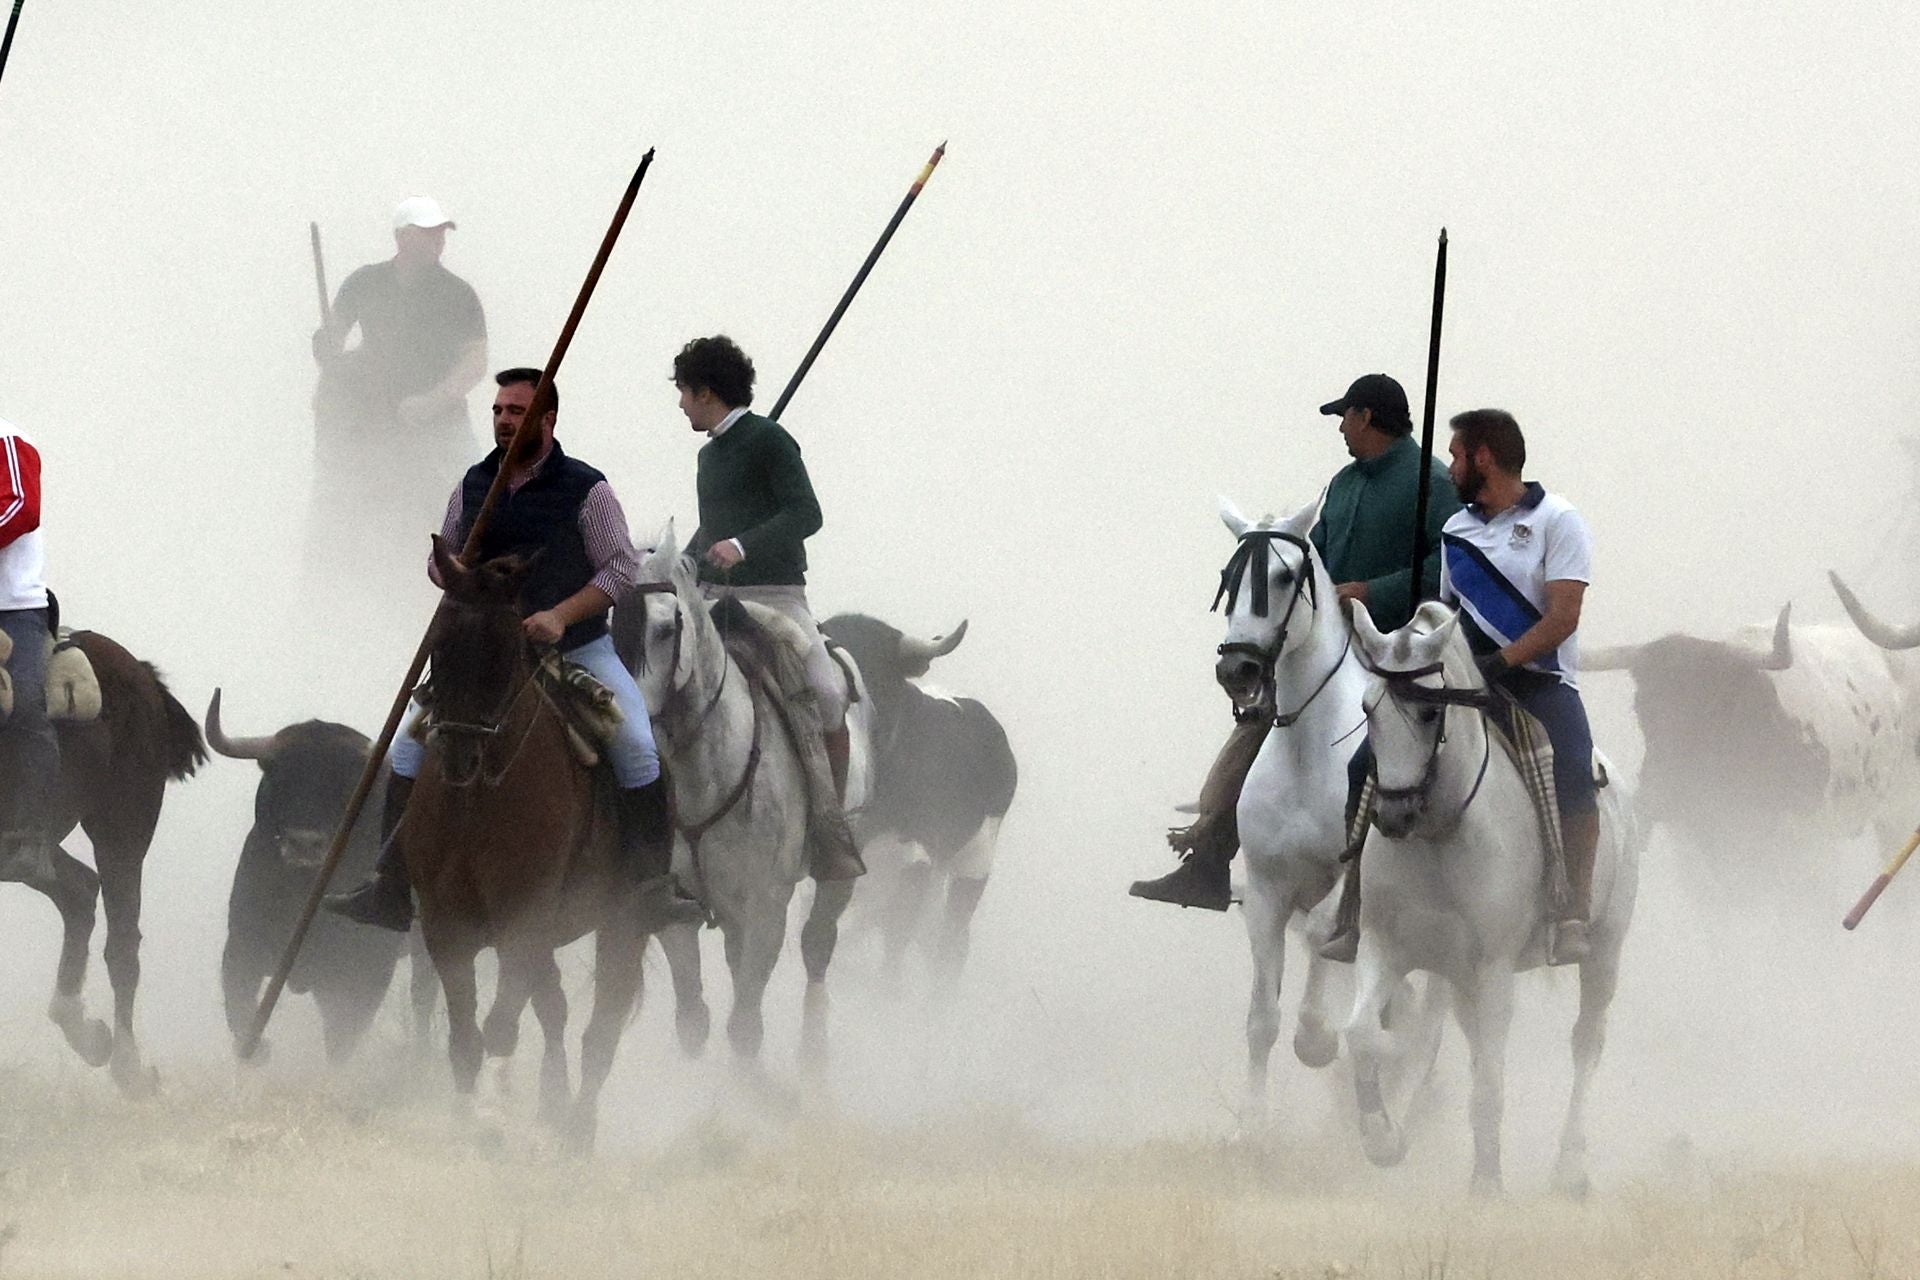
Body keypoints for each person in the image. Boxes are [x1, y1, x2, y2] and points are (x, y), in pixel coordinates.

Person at [325, 369, 704, 932]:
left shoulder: (587, 489)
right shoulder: (474, 484)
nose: (504, 421)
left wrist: (559, 615)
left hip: (578, 647)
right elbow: (441, 559)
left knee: (636, 746)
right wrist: (453, 572)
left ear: (547, 419)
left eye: (516, 412)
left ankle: (649, 887)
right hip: (488, 654)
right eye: (498, 411)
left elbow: (619, 568)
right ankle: (391, 885)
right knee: (406, 749)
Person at [1129, 373, 1461, 912]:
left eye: (1344, 417)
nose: (1340, 429)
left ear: (1367, 417)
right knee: (1260, 722)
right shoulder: (1343, 484)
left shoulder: (1433, 482)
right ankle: (1208, 860)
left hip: (1397, 645)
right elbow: (1314, 560)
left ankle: (1402, 874)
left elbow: (1445, 567)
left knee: (1406, 736)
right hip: (1333, 639)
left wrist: (1370, 591)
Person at [670, 335, 863, 881]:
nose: (680, 404)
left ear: (707, 392)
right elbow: (714, 526)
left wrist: (743, 545)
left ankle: (829, 829)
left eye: (684, 391)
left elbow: (807, 513)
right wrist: (687, 560)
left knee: (828, 693)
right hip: (716, 600)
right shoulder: (709, 455)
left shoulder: (771, 440)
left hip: (777, 597)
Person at [1436, 408, 1598, 965]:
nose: (1450, 467)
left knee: (1574, 768)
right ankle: (1355, 898)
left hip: (1538, 682)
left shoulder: (1559, 520)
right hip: (1466, 684)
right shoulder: (1454, 530)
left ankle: (1573, 908)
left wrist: (1501, 662)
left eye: (1456, 455)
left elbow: (1563, 616)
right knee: (1379, 753)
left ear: (1483, 457)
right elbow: (1445, 613)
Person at [311, 196, 488, 439]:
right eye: (428, 232)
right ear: (401, 236)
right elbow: (333, 334)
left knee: (468, 465)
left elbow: (475, 362)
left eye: (440, 233)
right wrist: (325, 344)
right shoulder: (364, 282)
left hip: (441, 426)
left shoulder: (459, 294)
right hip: (375, 416)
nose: (438, 240)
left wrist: (433, 402)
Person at [0, 418, 58, 889]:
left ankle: (32, 836)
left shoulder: (7, 440)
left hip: (12, 607)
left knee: (22, 704)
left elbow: (21, 506)